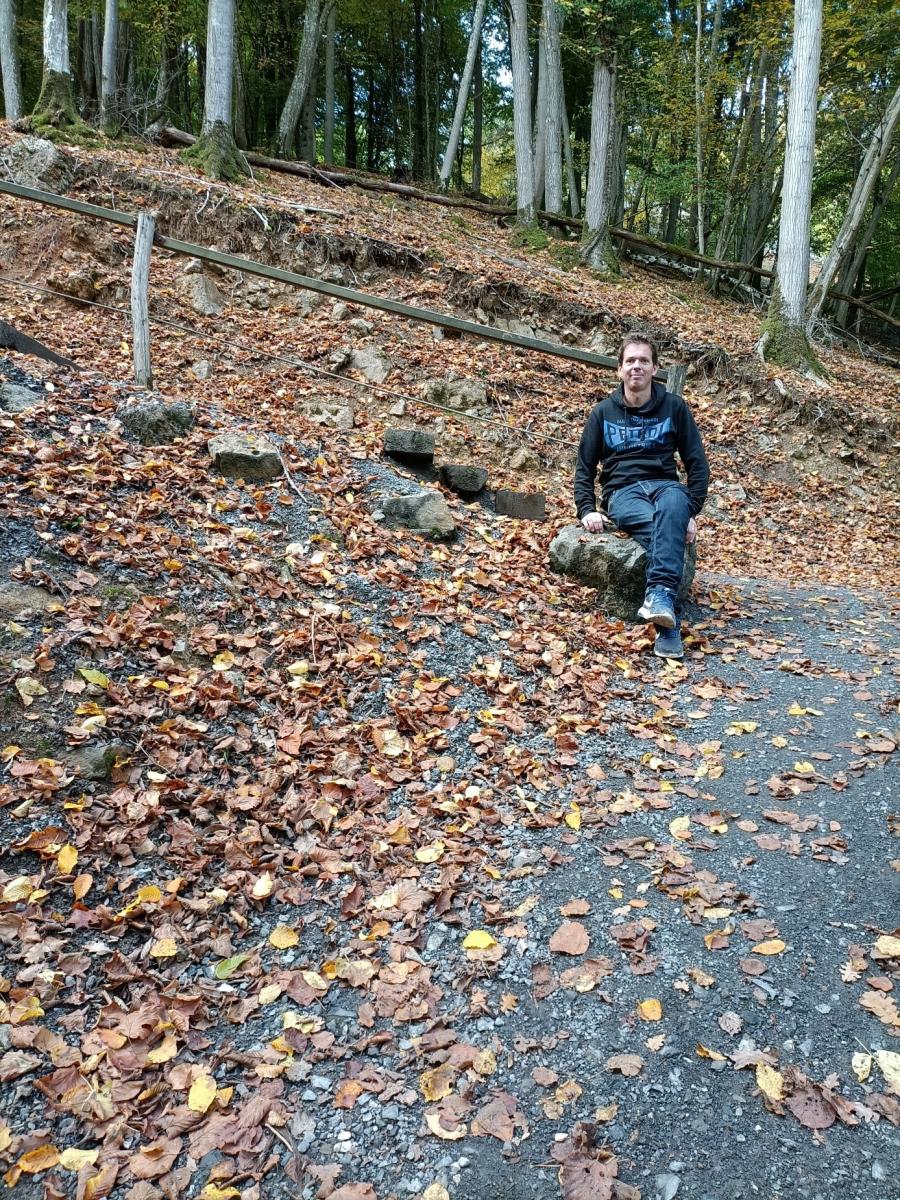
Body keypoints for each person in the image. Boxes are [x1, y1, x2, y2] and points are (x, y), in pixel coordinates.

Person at [574, 334, 710, 659]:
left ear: (655, 368)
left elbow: (697, 465)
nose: (637, 366)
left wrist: (689, 511)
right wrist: (586, 509)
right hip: (623, 493)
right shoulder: (602, 413)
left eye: (644, 361)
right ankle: (668, 624)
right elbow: (584, 467)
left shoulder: (674, 408)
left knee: (675, 503)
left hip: (666, 488)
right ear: (619, 369)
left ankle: (659, 601)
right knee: (667, 530)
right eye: (630, 361)